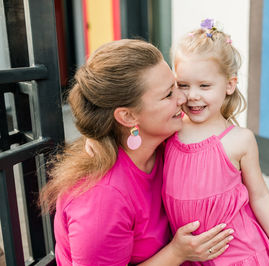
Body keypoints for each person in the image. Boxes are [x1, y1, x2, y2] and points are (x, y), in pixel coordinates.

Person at [39, 39, 234, 265]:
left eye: (176, 85)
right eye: (168, 94)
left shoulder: (165, 141)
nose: (183, 99)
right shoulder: (101, 200)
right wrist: (176, 253)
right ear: (128, 117)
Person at [162, 19, 269, 265]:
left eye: (204, 85)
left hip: (238, 255)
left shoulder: (239, 140)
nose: (192, 95)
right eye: (183, 85)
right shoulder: (171, 130)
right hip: (189, 257)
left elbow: (260, 196)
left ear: (229, 85)